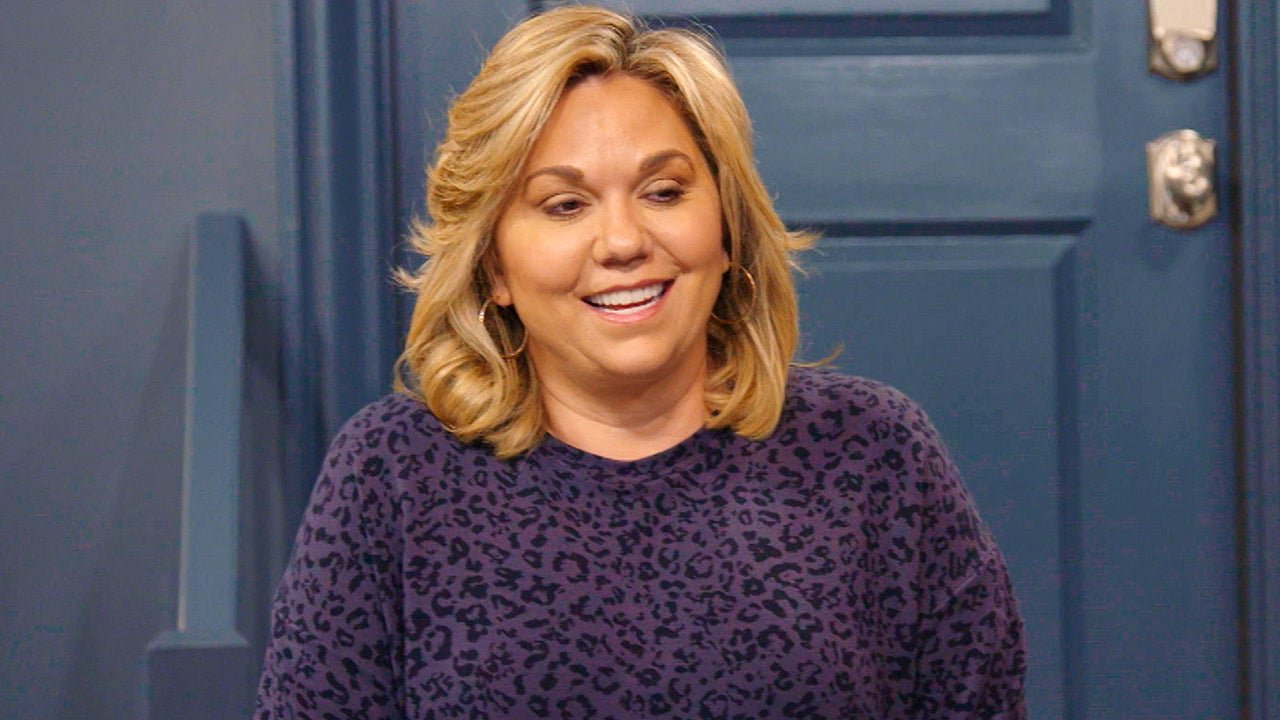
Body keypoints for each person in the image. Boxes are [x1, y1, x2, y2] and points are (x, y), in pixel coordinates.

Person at [255, 6, 1026, 718]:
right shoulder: (392, 474)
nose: (623, 242)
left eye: (663, 192)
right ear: (494, 265)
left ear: (726, 229)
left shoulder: (873, 451)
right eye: (565, 205)